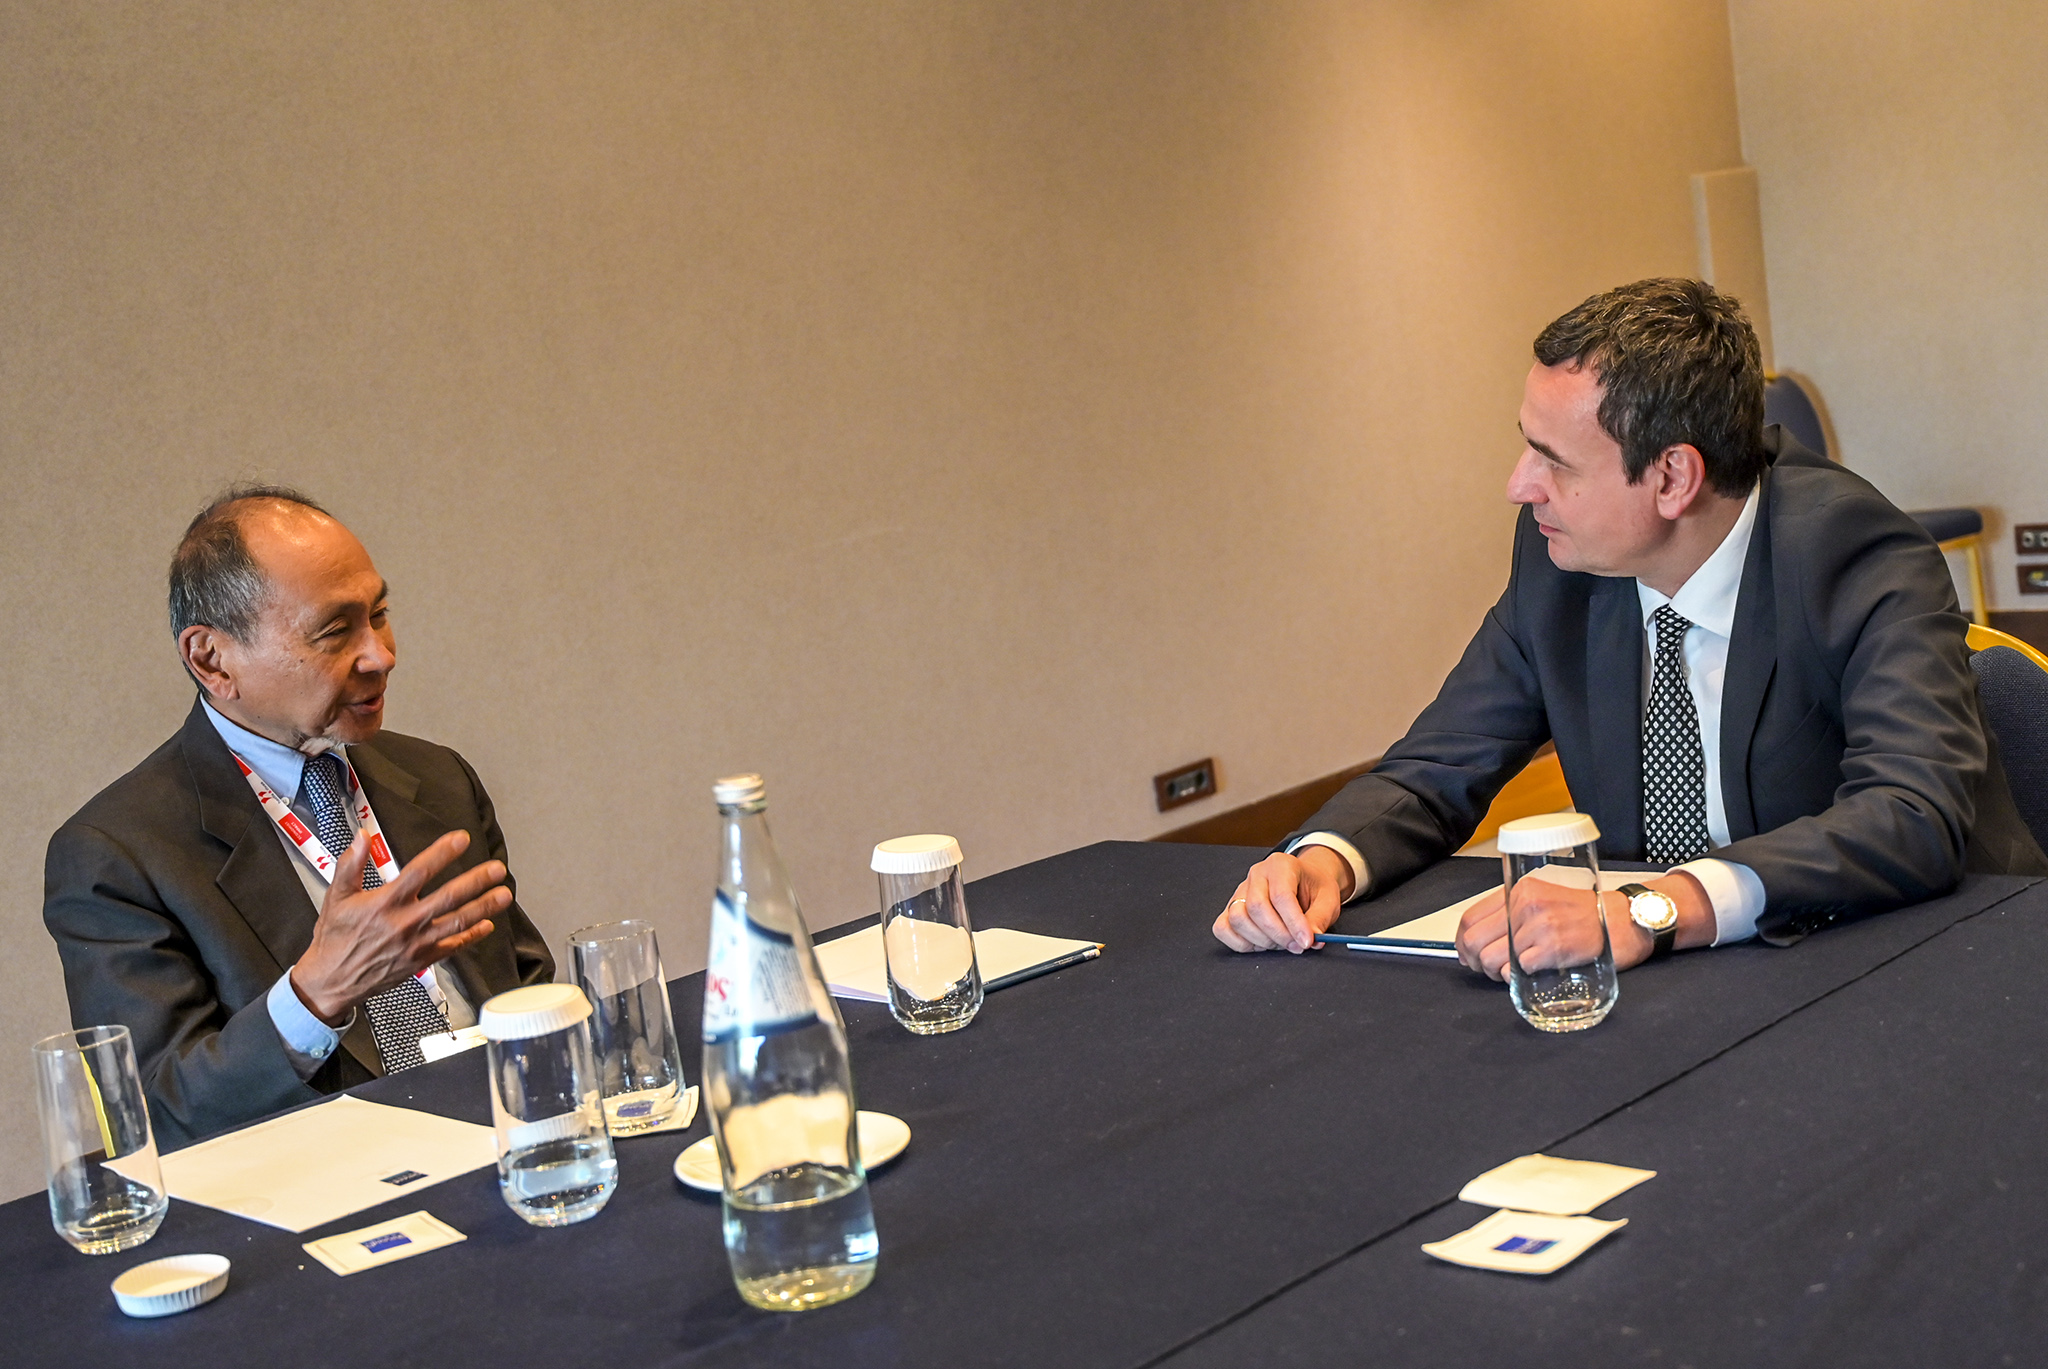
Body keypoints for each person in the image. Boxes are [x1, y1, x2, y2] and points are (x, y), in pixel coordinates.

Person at [1213, 278, 2047, 976]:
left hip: (1919, 956)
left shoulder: (1856, 555)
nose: (1519, 486)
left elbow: (1911, 811)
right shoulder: (1561, 563)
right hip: (1684, 978)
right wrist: (1324, 857)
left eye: (1554, 460)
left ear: (1674, 477)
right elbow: (1439, 763)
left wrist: (1657, 906)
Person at [44, 487, 553, 1146]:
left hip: (512, 1139)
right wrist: (316, 994)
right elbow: (157, 1114)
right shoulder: (117, 853)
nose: (381, 655)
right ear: (211, 659)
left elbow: (524, 982)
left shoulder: (438, 776)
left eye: (379, 614)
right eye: (336, 630)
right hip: (334, 1178)